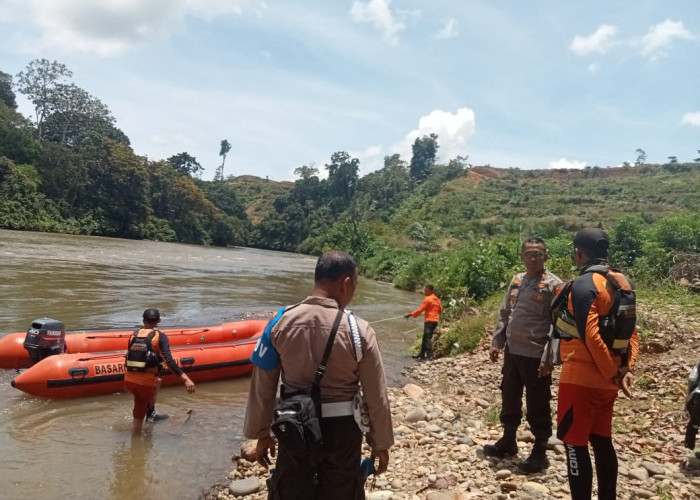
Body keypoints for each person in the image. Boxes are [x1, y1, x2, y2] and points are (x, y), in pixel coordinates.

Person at [243, 250, 394, 500]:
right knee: (343, 491)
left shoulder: (279, 323)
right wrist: (380, 443)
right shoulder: (360, 331)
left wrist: (262, 434)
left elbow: (262, 387)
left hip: (293, 427)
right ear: (346, 283)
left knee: (291, 491)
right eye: (355, 285)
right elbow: (377, 395)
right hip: (343, 431)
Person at [556, 228, 639, 500]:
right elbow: (631, 331)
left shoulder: (584, 284)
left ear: (578, 252)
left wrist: (611, 371)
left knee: (573, 444)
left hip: (580, 379)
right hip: (608, 383)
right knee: (602, 441)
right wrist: (625, 370)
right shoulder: (620, 283)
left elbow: (589, 335)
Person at [483, 237, 563, 473]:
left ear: (546, 256)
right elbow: (505, 312)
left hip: (536, 356)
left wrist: (550, 358)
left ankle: (539, 451)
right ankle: (508, 440)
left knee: (537, 402)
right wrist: (496, 341)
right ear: (522, 256)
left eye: (538, 254)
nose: (533, 258)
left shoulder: (554, 285)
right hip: (513, 352)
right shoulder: (517, 280)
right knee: (509, 395)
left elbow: (558, 325)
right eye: (529, 253)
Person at [123, 308, 195, 434]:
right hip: (143, 383)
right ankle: (136, 447)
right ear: (157, 322)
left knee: (157, 381)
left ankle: (151, 414)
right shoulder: (160, 337)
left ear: (143, 320)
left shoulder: (133, 335)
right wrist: (186, 379)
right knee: (138, 419)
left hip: (128, 380)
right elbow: (169, 361)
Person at [404, 284, 443, 360]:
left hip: (429, 321)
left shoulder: (428, 299)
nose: (424, 292)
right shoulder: (437, 299)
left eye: (426, 290)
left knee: (427, 338)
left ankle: (430, 356)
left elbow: (420, 310)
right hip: (435, 321)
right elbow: (440, 311)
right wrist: (430, 310)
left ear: (430, 290)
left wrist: (409, 314)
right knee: (425, 337)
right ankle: (421, 354)